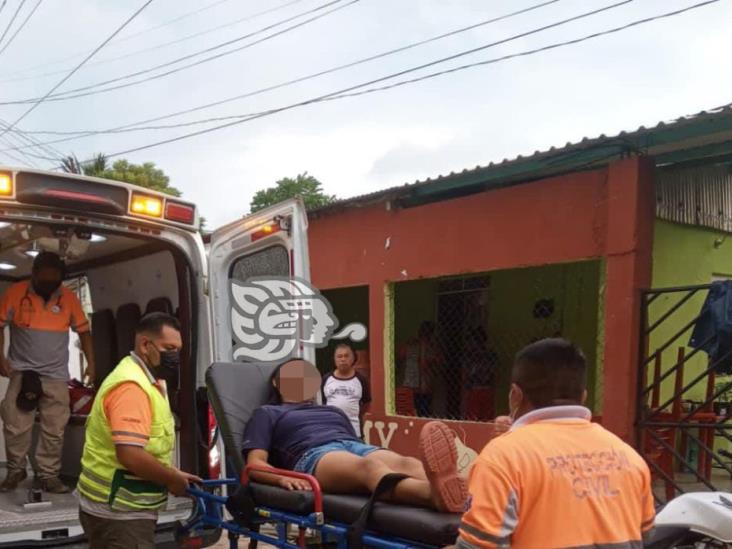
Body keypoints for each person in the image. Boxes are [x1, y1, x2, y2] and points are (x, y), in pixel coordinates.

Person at [455, 339, 655, 549]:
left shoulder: (503, 457)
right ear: (583, 396)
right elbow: (648, 537)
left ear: (515, 395)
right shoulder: (629, 458)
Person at [243, 358, 467, 513]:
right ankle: (434, 495)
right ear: (276, 382)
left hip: (353, 445)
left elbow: (355, 444)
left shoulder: (331, 410)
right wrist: (282, 478)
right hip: (314, 455)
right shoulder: (267, 413)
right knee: (369, 468)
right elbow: (254, 464)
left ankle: (467, 494)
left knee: (404, 462)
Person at [77, 313, 201, 549]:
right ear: (145, 344)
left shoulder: (150, 381)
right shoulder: (132, 387)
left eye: (178, 349)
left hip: (120, 508)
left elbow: (148, 445)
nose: (174, 356)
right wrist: (171, 479)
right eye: (169, 348)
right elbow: (130, 455)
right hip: (121, 513)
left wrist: (171, 470)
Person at [0, 251, 95, 494]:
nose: (49, 286)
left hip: (55, 376)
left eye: (54, 281)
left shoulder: (68, 297)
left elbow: (84, 332)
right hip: (23, 372)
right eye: (44, 280)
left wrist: (92, 365)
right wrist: (0, 357)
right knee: (15, 424)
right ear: (34, 274)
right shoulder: (16, 293)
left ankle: (48, 475)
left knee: (55, 428)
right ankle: (15, 470)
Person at [321, 342, 371, 438]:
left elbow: (366, 403)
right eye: (339, 356)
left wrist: (355, 414)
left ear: (353, 358)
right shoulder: (326, 379)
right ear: (334, 359)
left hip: (354, 431)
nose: (343, 359)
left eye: (346, 356)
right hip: (332, 431)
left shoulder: (361, 380)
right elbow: (324, 402)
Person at [398, 321, 442, 417]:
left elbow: (438, 362)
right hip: (417, 386)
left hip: (420, 386)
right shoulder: (415, 345)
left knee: (420, 410)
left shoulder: (431, 347)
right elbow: (401, 354)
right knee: (417, 410)